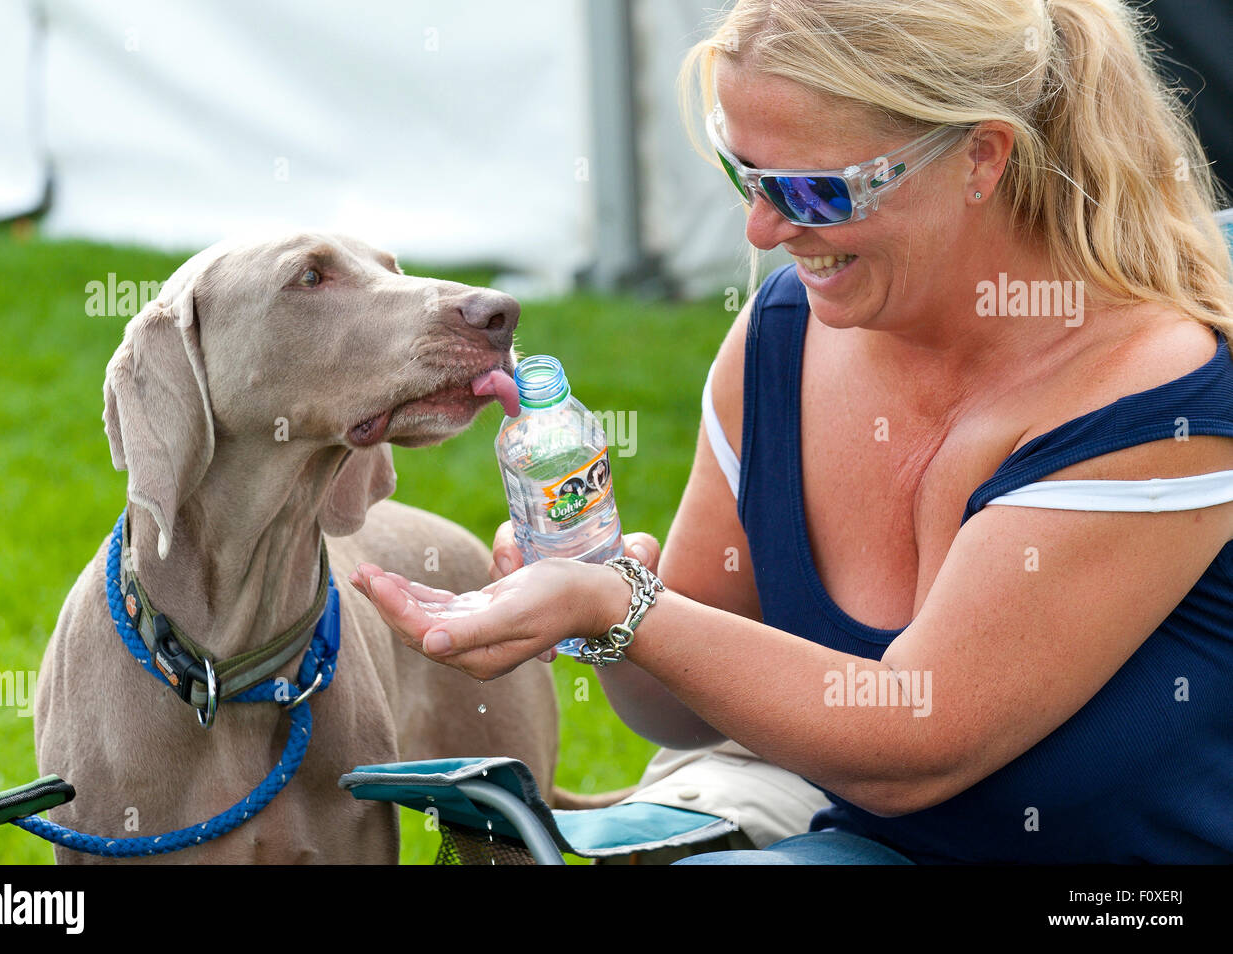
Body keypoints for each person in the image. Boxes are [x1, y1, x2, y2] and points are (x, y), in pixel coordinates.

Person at [349, 0, 1233, 864]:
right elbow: (683, 715)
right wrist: (600, 609)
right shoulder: (785, 334)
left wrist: (625, 607)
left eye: (813, 189)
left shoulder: (1155, 393)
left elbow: (914, 744)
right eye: (745, 176)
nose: (764, 229)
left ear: (981, 158)